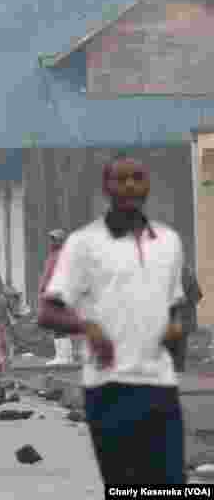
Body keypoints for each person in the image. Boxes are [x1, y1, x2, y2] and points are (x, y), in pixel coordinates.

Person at [40, 155, 187, 485]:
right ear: (106, 188)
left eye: (137, 177)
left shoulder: (169, 243)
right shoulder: (82, 245)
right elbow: (48, 311)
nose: (130, 185)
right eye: (121, 179)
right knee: (125, 484)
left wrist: (174, 333)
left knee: (172, 484)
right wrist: (87, 327)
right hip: (108, 388)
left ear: (148, 185)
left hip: (160, 386)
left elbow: (174, 309)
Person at [40, 229, 72, 366]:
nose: (53, 241)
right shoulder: (54, 255)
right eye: (52, 239)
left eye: (56, 239)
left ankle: (63, 357)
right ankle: (63, 356)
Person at [172, 263, 203, 373]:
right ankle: (179, 371)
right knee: (180, 347)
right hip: (183, 319)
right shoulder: (188, 272)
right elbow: (197, 296)